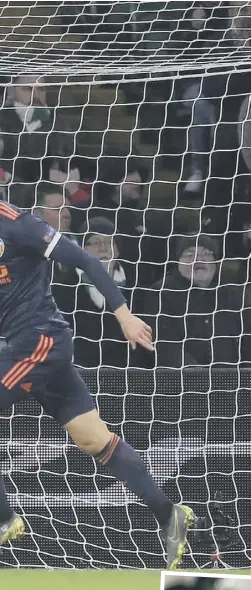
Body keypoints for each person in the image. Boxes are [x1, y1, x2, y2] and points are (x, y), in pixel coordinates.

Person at [0, 200, 194, 569]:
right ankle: (170, 515)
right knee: (94, 439)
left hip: (38, 342)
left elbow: (87, 261)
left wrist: (124, 316)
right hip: (25, 347)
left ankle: (4, 519)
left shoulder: (18, 224)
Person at [140, 234, 251, 369]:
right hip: (182, 383)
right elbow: (165, 347)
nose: (199, 258)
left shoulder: (231, 295)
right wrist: (199, 378)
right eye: (190, 254)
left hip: (234, 383)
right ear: (178, 261)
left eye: (207, 253)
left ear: (216, 263)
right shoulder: (160, 294)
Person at [73, 216, 134, 368]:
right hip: (81, 374)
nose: (103, 248)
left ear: (118, 249)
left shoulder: (136, 285)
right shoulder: (66, 285)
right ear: (82, 249)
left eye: (109, 241)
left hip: (129, 375)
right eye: (95, 242)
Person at [0, 74, 52, 183]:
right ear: (11, 91)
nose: (36, 95)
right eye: (27, 89)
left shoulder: (58, 123)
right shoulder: (2, 121)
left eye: (41, 89)